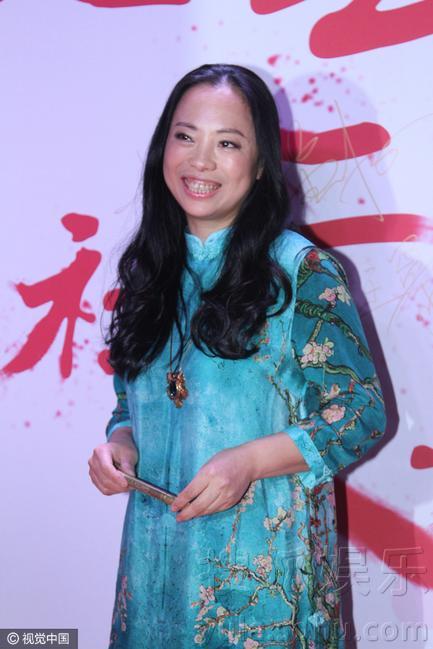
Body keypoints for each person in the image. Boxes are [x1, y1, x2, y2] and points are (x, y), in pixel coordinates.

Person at [88, 63, 386, 648]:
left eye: (227, 143)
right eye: (185, 136)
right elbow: (129, 401)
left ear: (259, 164)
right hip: (153, 574)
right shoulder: (150, 271)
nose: (200, 161)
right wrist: (120, 444)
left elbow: (360, 412)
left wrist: (249, 460)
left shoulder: (300, 271)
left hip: (262, 583)